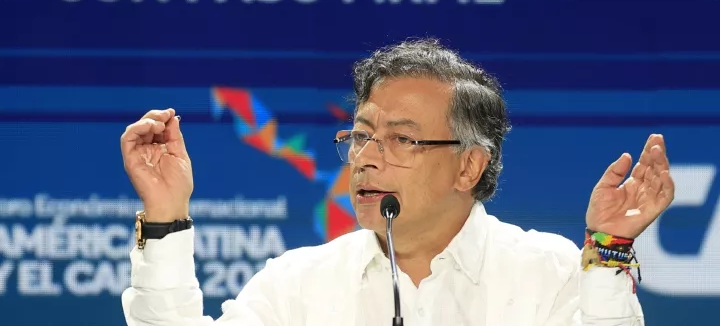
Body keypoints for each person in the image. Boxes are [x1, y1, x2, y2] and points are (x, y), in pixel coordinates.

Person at [120, 38, 674, 326]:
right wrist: (166, 217)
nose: (365, 158)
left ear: (469, 166)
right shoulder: (298, 284)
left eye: (402, 139)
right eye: (361, 136)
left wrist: (608, 249)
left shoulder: (545, 273)